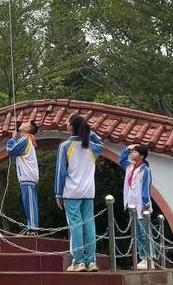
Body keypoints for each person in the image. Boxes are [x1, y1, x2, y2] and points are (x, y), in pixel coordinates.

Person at [54, 115, 104, 272]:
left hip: (71, 192)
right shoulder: (91, 146)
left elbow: (60, 173)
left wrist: (58, 194)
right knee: (89, 225)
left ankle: (78, 261)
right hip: (88, 192)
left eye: (67, 123)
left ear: (71, 127)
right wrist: (90, 131)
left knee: (75, 226)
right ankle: (91, 261)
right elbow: (101, 142)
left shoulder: (65, 146)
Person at [119, 144, 153, 270]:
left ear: (142, 156)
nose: (132, 154)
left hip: (141, 206)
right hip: (131, 204)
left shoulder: (145, 170)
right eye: (132, 152)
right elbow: (121, 159)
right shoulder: (130, 167)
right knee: (137, 232)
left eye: (135, 152)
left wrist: (144, 205)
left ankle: (148, 258)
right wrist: (127, 148)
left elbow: (145, 189)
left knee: (144, 232)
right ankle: (142, 257)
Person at [6, 120, 40, 235]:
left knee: (30, 203)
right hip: (27, 176)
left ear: (27, 129)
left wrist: (12, 139)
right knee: (29, 203)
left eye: (26, 123)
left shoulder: (25, 139)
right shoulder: (27, 139)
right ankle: (32, 227)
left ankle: (33, 228)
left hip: (28, 176)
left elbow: (10, 151)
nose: (23, 122)